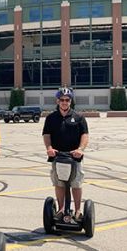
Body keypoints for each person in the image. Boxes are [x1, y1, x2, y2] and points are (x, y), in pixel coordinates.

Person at [42, 87, 89, 222]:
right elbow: (46, 135)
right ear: (57, 101)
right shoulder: (51, 118)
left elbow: (85, 135)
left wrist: (80, 149)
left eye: (67, 100)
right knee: (59, 183)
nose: (64, 102)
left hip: (74, 156)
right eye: (62, 100)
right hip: (57, 156)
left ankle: (78, 211)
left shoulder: (78, 117)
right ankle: (61, 209)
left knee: (76, 183)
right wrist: (49, 148)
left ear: (70, 101)